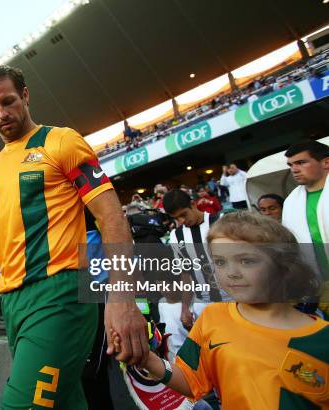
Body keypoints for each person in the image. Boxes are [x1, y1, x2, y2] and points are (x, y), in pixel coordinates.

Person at [0, 65, 147, 409]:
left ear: (26, 96)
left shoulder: (61, 141)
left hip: (61, 297)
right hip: (14, 306)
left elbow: (111, 216)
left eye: (8, 101)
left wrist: (123, 298)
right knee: (64, 402)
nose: (1, 114)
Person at [116, 212, 328, 408]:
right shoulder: (212, 317)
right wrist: (147, 359)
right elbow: (191, 381)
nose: (232, 273)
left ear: (283, 264)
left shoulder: (322, 340)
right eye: (220, 262)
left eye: (246, 261)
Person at [161, 189, 228, 358]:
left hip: (233, 299)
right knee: (215, 353)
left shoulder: (220, 222)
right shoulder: (176, 236)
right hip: (203, 304)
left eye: (183, 215)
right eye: (176, 218)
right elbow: (185, 273)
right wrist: (185, 308)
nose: (182, 221)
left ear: (193, 204)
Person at [282, 140, 329, 312]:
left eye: (301, 162)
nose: (294, 169)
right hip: (317, 286)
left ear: (326, 162)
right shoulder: (290, 202)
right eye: (291, 165)